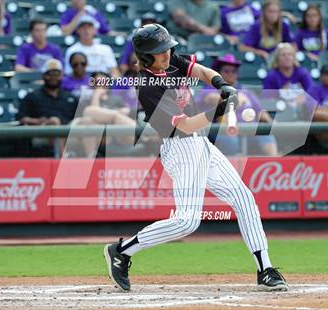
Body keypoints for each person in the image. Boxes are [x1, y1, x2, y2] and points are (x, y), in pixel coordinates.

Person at [103, 24, 288, 292]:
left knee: (244, 197)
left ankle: (265, 269)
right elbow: (184, 126)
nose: (166, 54)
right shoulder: (147, 88)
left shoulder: (171, 61)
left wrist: (222, 84)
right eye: (159, 51)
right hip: (180, 148)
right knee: (188, 221)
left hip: (201, 144)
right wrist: (219, 110)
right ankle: (122, 250)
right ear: (145, 56)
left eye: (167, 48)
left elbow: (200, 70)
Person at [197, 53, 277, 156]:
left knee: (266, 135)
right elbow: (211, 99)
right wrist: (235, 99)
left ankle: (274, 163)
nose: (231, 73)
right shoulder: (210, 88)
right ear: (219, 73)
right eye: (226, 71)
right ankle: (234, 170)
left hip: (249, 130)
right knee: (231, 140)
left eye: (234, 71)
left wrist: (272, 123)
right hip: (222, 130)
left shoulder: (246, 91)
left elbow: (260, 111)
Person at [74, 71, 136, 157]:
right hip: (98, 135)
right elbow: (92, 115)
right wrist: (96, 95)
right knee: (88, 117)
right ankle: (91, 156)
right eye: (98, 82)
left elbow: (126, 115)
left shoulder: (116, 99)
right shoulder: (85, 100)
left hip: (118, 134)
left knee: (90, 111)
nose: (101, 85)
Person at [17, 59, 78, 126]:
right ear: (43, 76)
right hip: (41, 133)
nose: (53, 77)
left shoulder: (71, 98)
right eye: (49, 74)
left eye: (57, 74)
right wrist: (40, 121)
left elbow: (78, 119)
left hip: (66, 133)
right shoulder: (32, 96)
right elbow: (21, 118)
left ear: (62, 76)